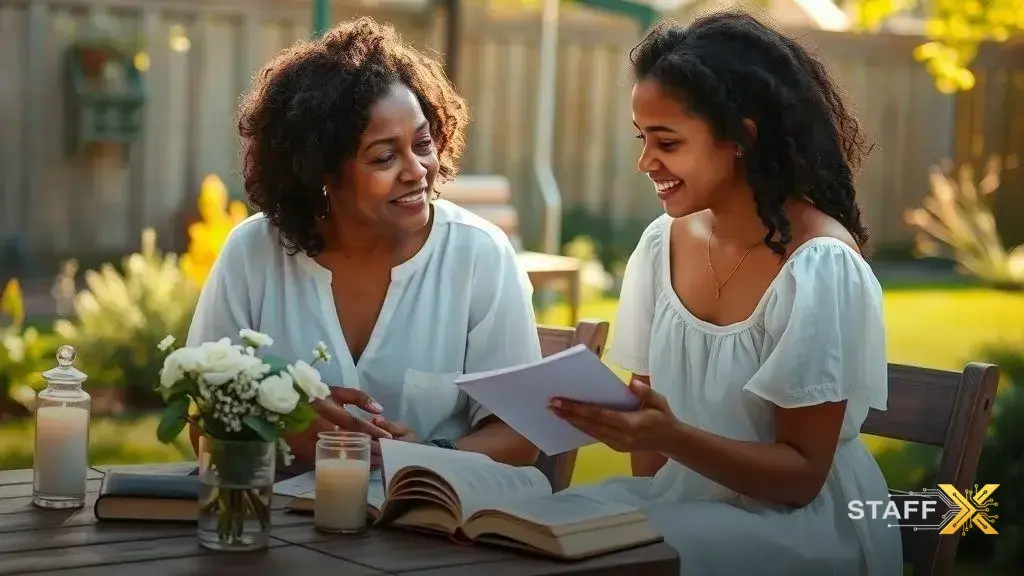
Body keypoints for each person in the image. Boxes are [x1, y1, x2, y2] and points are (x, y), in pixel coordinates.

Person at [548, 11, 903, 575]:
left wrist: (671, 440)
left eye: (667, 141)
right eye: (642, 139)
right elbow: (653, 448)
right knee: (546, 526)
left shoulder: (819, 265)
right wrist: (649, 445)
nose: (646, 162)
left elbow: (801, 479)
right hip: (688, 510)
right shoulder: (662, 244)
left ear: (742, 137)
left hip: (804, 530)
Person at [185, 17, 541, 472]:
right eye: (384, 157)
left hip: (426, 526)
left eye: (423, 143)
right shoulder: (253, 253)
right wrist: (278, 421)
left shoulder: (479, 257)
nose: (416, 170)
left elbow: (520, 435)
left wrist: (418, 458)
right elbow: (201, 423)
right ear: (322, 173)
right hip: (281, 526)